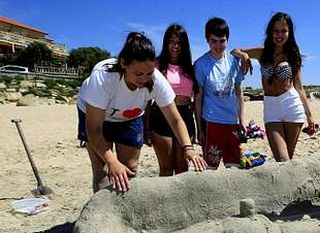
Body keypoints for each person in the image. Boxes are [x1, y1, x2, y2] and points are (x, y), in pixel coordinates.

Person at [77, 32, 206, 192]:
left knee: (129, 168)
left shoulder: (157, 80)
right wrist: (112, 162)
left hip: (130, 117)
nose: (144, 79)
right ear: (124, 63)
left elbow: (175, 119)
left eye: (149, 73)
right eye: (138, 74)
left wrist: (189, 149)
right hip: (97, 117)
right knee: (103, 171)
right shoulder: (103, 78)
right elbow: (94, 130)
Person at [231, 12, 315, 162]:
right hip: (271, 108)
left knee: (287, 160)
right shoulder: (262, 53)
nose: (279, 34)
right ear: (270, 32)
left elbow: (299, 88)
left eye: (284, 31)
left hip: (292, 106)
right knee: (282, 159)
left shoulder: (293, 56)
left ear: (289, 32)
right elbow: (234, 51)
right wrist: (245, 56)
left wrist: (310, 116)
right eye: (276, 31)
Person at [194, 17, 245, 169]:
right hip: (211, 123)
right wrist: (199, 129)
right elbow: (198, 98)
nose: (218, 45)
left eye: (222, 41)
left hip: (231, 123)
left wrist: (241, 120)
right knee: (210, 169)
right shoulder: (201, 64)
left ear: (227, 40)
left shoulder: (234, 62)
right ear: (207, 40)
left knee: (235, 168)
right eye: (213, 41)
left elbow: (239, 94)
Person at [148, 24, 197, 176]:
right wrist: (146, 126)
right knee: (166, 167)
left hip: (186, 115)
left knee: (183, 166)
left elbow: (196, 99)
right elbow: (146, 99)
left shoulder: (190, 67)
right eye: (171, 41)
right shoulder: (155, 65)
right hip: (161, 115)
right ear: (165, 42)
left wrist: (199, 127)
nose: (175, 46)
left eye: (179, 42)